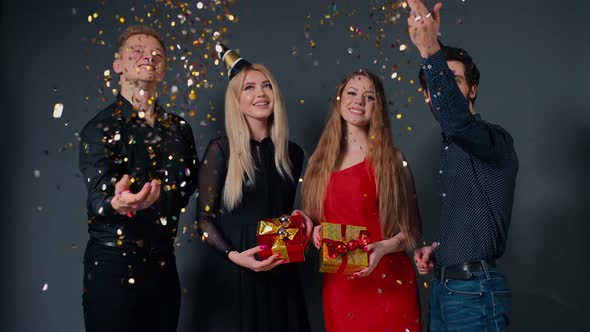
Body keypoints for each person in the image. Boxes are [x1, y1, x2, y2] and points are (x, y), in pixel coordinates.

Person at [78, 25, 198, 332]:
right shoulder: (98, 128)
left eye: (157, 54)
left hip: (162, 264)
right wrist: (117, 201)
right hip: (112, 264)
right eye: (137, 51)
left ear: (163, 69)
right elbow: (97, 195)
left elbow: (188, 188)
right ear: (118, 65)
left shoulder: (180, 130)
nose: (149, 56)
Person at [407, 1, 519, 331]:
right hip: (447, 288)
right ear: (429, 96)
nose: (444, 91)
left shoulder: (492, 139)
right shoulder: (452, 148)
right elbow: (472, 219)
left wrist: (430, 51)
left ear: (472, 89)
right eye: (436, 86)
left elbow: (457, 120)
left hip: (475, 292)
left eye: (455, 80)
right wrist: (440, 250)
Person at [195, 45, 311, 332]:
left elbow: (281, 213)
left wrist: (300, 219)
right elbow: (204, 219)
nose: (260, 93)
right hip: (237, 270)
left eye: (266, 86)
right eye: (249, 88)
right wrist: (235, 257)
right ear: (236, 101)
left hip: (280, 270)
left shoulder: (293, 154)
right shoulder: (220, 150)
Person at [302, 69, 422, 332]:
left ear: (377, 107)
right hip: (341, 286)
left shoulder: (393, 159)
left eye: (369, 97)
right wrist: (317, 232)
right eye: (352, 93)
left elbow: (412, 229)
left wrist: (384, 248)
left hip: (390, 283)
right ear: (339, 99)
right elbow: (312, 222)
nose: (359, 101)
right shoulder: (317, 163)